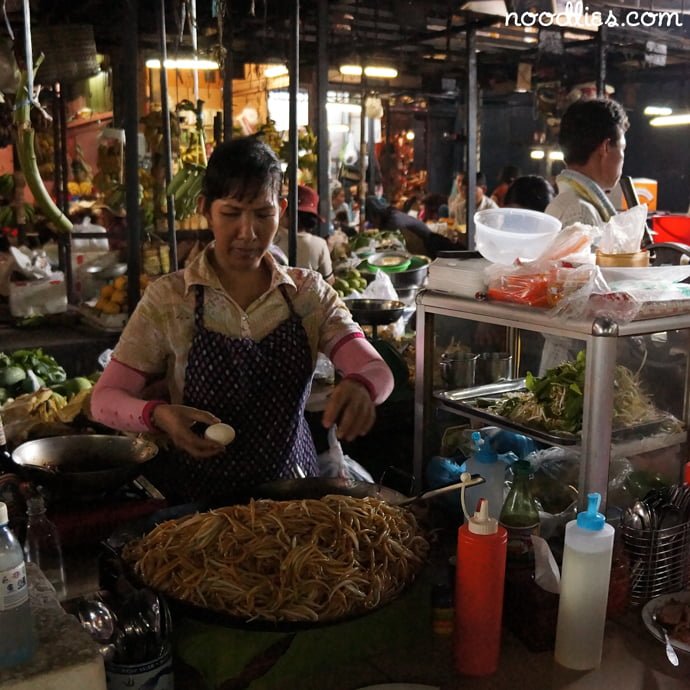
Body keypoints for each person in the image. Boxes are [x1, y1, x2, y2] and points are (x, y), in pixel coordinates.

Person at [90, 136, 394, 504]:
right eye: (232, 213)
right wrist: (158, 416)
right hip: (202, 506)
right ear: (206, 209)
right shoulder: (170, 299)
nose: (248, 233)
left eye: (263, 214)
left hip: (294, 498)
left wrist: (362, 385)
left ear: (281, 209)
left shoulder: (307, 294)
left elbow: (376, 368)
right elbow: (103, 399)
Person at [545, 97, 629, 229]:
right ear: (605, 147)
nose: (623, 158)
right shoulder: (581, 214)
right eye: (622, 149)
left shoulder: (563, 204)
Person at [275, 184, 335, 284]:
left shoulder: (271, 239)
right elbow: (329, 282)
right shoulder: (319, 244)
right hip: (308, 299)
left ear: (286, 211)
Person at [364, 196, 459, 257]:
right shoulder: (391, 214)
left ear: (375, 214)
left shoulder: (392, 221)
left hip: (430, 246)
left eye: (371, 220)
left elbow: (388, 243)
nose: (373, 223)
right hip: (427, 243)